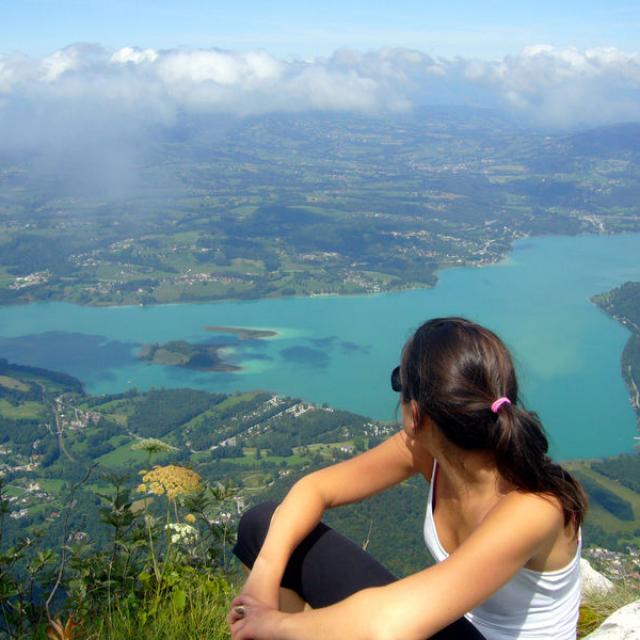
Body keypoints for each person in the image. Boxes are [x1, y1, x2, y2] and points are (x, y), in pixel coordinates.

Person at [228, 317, 587, 640]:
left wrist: (274, 625)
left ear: (416, 413)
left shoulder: (534, 507)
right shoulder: (428, 452)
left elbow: (388, 625)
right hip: (447, 625)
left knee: (382, 617)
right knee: (261, 526)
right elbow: (315, 488)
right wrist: (264, 578)